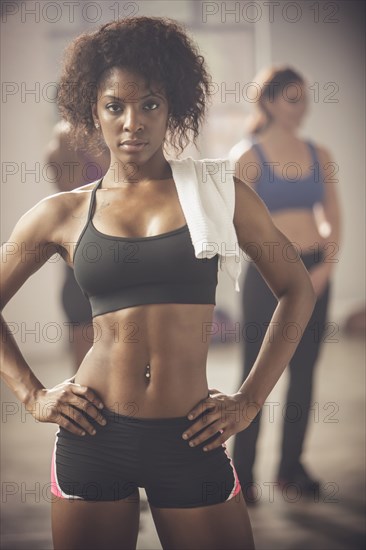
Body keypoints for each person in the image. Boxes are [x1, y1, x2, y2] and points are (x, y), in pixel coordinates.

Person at [0, 20, 317, 550]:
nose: (132, 123)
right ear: (91, 111)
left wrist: (249, 400)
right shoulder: (62, 213)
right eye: (113, 106)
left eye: (149, 104)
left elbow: (297, 289)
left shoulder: (220, 192)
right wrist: (31, 395)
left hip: (190, 436)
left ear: (173, 108)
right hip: (92, 437)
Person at [231, 66, 342, 505]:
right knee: (255, 374)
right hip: (266, 276)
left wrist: (326, 270)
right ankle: (242, 475)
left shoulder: (321, 153)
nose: (303, 108)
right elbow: (236, 226)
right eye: (293, 99)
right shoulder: (248, 156)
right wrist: (280, 271)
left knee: (303, 373)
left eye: (305, 98)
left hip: (315, 272)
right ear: (270, 102)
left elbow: (335, 218)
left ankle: (290, 469)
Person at [45, 119, 110, 370]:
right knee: (86, 371)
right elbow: (71, 193)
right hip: (83, 261)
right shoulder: (67, 135)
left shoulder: (109, 132)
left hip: (110, 259)